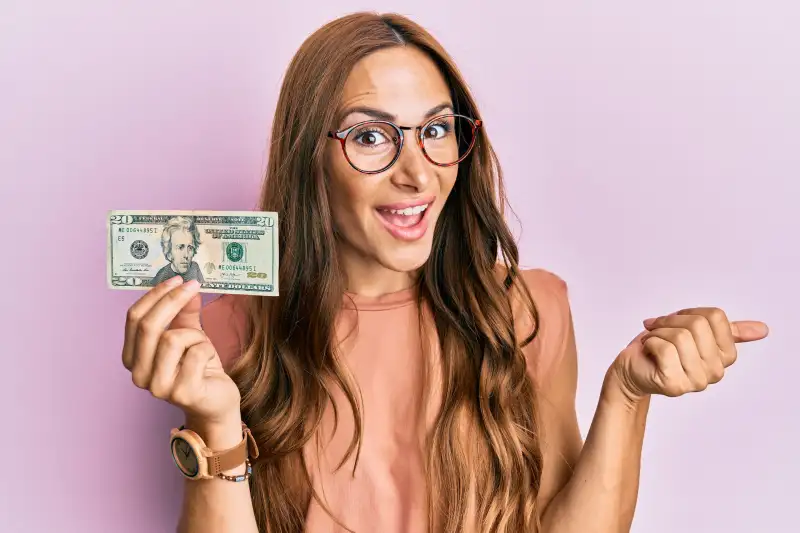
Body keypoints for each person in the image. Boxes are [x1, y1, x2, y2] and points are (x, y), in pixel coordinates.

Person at [120, 12, 769, 533]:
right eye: (371, 137)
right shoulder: (229, 332)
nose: (419, 172)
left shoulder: (528, 310)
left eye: (436, 129)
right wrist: (213, 422)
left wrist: (627, 394)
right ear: (308, 161)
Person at [150, 216, 206, 286]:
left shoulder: (194, 267)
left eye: (190, 248)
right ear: (169, 252)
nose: (186, 255)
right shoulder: (161, 276)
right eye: (180, 247)